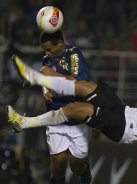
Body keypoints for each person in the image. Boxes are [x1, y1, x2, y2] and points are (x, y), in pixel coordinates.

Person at [8, 55, 137, 143]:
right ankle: (38, 78)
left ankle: (24, 123)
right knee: (86, 86)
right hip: (122, 110)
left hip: (123, 127)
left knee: (76, 109)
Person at [38, 30, 92, 184]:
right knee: (58, 162)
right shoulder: (46, 60)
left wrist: (52, 76)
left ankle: (85, 172)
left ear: (60, 43)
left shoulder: (73, 55)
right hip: (55, 114)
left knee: (76, 165)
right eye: (44, 49)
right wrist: (46, 91)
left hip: (76, 116)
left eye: (49, 49)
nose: (46, 52)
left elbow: (78, 82)